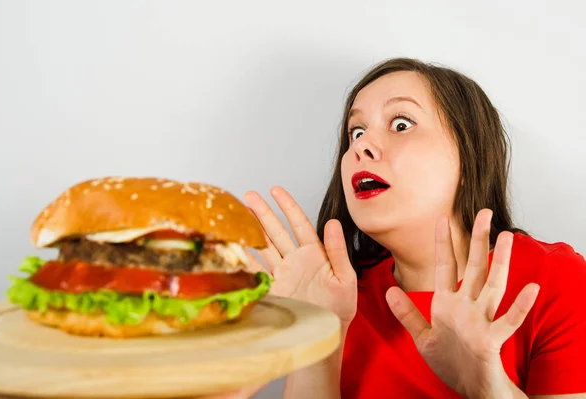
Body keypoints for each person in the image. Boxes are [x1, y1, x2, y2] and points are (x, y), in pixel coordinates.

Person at [243, 58, 586, 398]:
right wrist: (316, 349)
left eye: (401, 124)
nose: (361, 146)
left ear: (469, 158)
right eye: (356, 132)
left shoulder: (556, 278)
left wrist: (489, 388)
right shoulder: (333, 297)